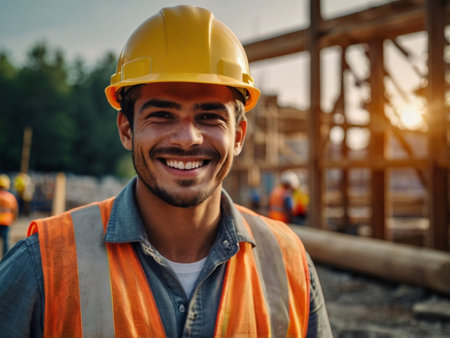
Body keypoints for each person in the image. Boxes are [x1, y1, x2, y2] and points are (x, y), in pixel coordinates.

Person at [0, 6, 332, 337]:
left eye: (210, 117)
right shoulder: (43, 263)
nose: (187, 139)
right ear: (126, 130)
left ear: (239, 136)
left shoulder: (289, 263)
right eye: (162, 115)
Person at [0, 174, 18, 256]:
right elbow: (15, 211)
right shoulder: (10, 197)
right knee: (5, 242)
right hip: (6, 222)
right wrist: (14, 220)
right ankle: (5, 259)